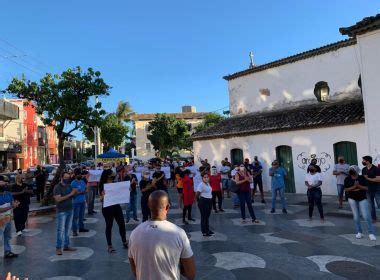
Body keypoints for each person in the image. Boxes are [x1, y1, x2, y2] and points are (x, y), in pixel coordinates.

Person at [128, 190, 195, 280]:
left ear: (148, 206)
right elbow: (190, 274)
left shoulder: (134, 233)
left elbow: (135, 270)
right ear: (167, 207)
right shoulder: (178, 233)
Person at [99, 169, 128, 253]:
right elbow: (100, 199)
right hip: (107, 208)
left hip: (116, 206)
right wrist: (102, 195)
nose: (114, 174)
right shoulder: (102, 185)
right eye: (112, 173)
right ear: (108, 175)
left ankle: (124, 241)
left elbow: (121, 192)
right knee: (109, 226)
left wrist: (127, 190)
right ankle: (109, 245)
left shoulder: (115, 183)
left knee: (122, 224)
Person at [344, 165, 376, 241]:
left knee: (366, 216)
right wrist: (355, 187)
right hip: (352, 199)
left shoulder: (362, 178)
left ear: (357, 171)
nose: (351, 172)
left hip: (362, 198)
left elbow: (366, 188)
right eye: (350, 170)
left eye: (353, 170)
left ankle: (371, 233)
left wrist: (358, 186)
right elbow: (346, 189)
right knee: (356, 216)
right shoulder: (347, 179)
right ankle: (359, 232)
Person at [53, 172, 78, 255]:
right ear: (62, 178)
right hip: (62, 211)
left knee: (67, 229)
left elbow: (73, 196)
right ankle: (58, 248)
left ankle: (66, 245)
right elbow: (58, 199)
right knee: (60, 230)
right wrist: (71, 194)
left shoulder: (69, 186)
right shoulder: (57, 187)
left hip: (70, 209)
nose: (68, 179)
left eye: (68, 177)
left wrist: (75, 192)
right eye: (66, 177)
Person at [0, 175, 20, 258]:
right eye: (3, 182)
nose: (5, 183)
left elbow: (12, 203)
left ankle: (7, 252)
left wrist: (15, 204)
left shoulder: (8, 194)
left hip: (8, 220)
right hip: (0, 222)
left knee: (7, 237)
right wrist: (12, 206)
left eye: (5, 182)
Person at [12, 169, 32, 235]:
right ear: (17, 179)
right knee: (18, 217)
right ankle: (18, 230)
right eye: (21, 178)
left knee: (24, 216)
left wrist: (27, 191)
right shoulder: (14, 186)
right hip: (17, 203)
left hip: (25, 202)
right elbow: (13, 193)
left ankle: (22, 228)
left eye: (22, 178)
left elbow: (31, 191)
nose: (22, 179)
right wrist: (22, 192)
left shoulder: (25, 184)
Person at [361, 155, 380, 223]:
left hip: (377, 190)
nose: (362, 161)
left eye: (363, 160)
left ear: (368, 161)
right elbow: (363, 179)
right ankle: (374, 219)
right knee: (370, 205)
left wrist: (368, 178)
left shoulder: (376, 169)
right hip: (368, 190)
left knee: (379, 204)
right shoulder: (364, 169)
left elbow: (378, 179)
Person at [71, 172, 89, 236]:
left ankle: (81, 228)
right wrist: (81, 192)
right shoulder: (73, 183)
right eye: (78, 174)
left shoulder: (82, 181)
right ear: (75, 175)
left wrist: (85, 191)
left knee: (81, 216)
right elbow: (73, 193)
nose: (80, 175)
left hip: (82, 201)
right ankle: (74, 230)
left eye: (80, 174)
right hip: (76, 202)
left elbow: (86, 189)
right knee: (75, 217)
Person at [196, 172, 214, 237]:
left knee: (207, 217)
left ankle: (207, 230)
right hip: (203, 201)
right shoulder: (201, 185)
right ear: (202, 178)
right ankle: (204, 232)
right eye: (205, 177)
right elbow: (197, 194)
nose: (206, 178)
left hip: (209, 201)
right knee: (204, 217)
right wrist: (199, 201)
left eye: (207, 177)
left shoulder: (208, 184)